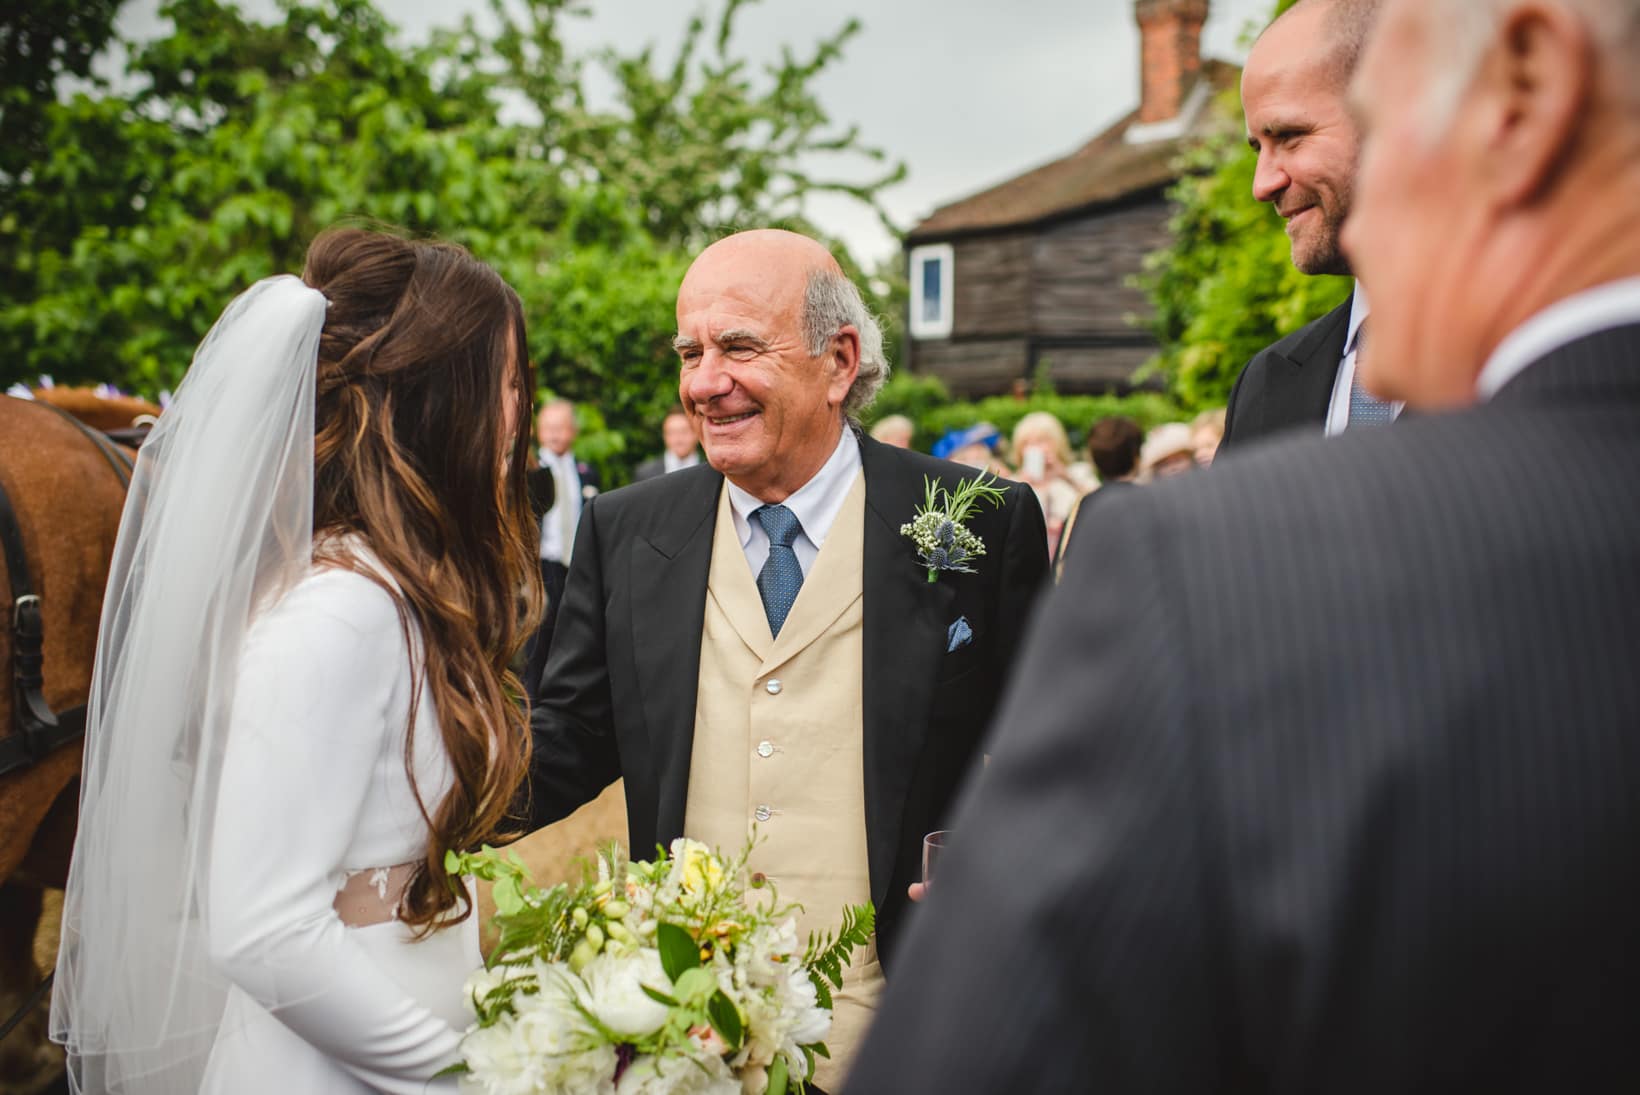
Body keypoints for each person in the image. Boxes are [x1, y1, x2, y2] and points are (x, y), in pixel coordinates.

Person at [849, 0, 1640, 1088]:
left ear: (1528, 86)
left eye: (1390, 106)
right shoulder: (1276, 383)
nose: (1265, 184)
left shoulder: (1193, 567)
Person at [526, 229, 1048, 1090]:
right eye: (689, 352)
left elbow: (1052, 752)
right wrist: (421, 792)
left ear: (839, 362)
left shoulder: (979, 517)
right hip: (686, 1039)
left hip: (903, 1036)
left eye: (737, 346)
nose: (703, 382)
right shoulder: (626, 530)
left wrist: (1009, 881)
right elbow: (573, 731)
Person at [51, 228, 542, 1094]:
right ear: (437, 400)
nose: (519, 414)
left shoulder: (396, 591)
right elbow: (261, 926)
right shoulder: (341, 614)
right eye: (506, 383)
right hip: (325, 1069)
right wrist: (463, 1074)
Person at [1220, 0, 1401, 453]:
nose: (1262, 185)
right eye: (1256, 148)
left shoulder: (1536, 355)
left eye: (1289, 136)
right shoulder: (1264, 384)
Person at [523, 399, 599, 697]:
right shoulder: (532, 470)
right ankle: (533, 701)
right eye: (549, 428)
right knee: (539, 636)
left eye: (561, 427)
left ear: (573, 431)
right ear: (539, 431)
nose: (555, 434)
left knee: (573, 636)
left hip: (576, 565)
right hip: (544, 564)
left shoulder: (585, 472)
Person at [1054, 415, 1143, 573]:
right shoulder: (1151, 503)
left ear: (1093, 459)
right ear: (1137, 456)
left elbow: (1063, 569)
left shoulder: (1085, 505)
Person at [1009, 411, 1084, 558]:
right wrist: (1020, 487)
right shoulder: (1012, 482)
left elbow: (1097, 502)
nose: (1035, 447)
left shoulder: (1077, 473)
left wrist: (1065, 476)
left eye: (1042, 441)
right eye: (1027, 443)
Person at [633, 403, 701, 481]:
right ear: (664, 436)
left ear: (697, 434)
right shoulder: (644, 474)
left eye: (684, 431)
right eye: (672, 432)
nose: (678, 439)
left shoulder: (713, 471)